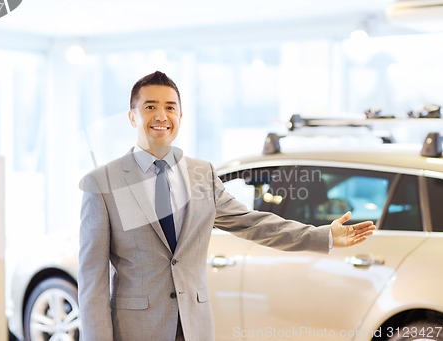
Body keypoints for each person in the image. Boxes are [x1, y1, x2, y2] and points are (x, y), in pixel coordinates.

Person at [78, 71, 376, 341]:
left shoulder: (201, 174)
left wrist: (322, 235)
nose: (161, 115)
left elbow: (253, 223)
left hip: (195, 327)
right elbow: (92, 281)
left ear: (180, 117)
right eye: (150, 106)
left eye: (170, 107)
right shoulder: (103, 183)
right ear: (132, 117)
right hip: (136, 331)